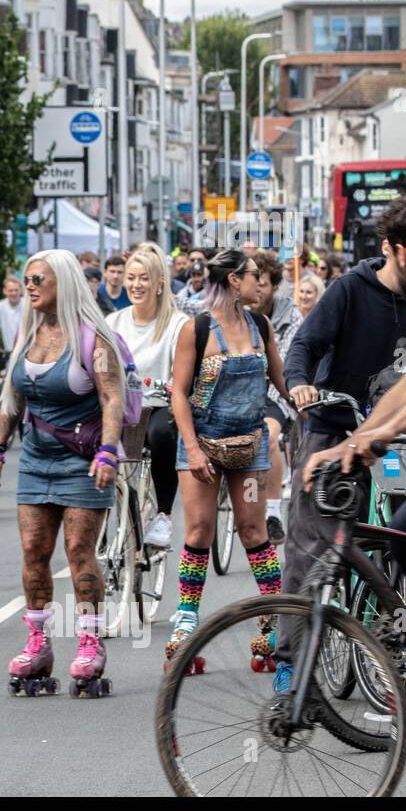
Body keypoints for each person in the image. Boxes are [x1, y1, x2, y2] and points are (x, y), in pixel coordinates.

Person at [281, 196, 406, 690]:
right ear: (391, 250)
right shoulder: (349, 290)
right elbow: (304, 344)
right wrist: (301, 384)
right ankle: (292, 656)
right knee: (309, 538)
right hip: (336, 422)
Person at [0, 249, 125, 694]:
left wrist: (107, 452)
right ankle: (38, 642)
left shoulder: (92, 340)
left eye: (38, 279)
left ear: (61, 284)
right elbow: (13, 400)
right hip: (35, 461)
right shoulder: (27, 337)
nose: (29, 287)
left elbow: (111, 399)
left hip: (83, 464)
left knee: (79, 551)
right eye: (26, 279)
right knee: (33, 551)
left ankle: (89, 641)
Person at [166, 249, 290, 665]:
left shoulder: (261, 326)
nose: (263, 283)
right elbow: (178, 393)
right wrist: (195, 449)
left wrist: (311, 400)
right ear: (235, 281)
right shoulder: (196, 329)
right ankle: (186, 623)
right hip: (202, 444)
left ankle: (273, 622)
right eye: (256, 275)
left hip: (249, 446)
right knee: (199, 530)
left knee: (254, 531)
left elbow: (284, 382)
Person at [107, 244, 188, 547]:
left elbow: (183, 372)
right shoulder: (114, 322)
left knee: (163, 434)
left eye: (143, 279)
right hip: (122, 405)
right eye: (131, 278)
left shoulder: (176, 324)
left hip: (158, 405)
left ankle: (164, 516)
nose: (136, 285)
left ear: (158, 284)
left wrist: (173, 386)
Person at [249, 252, 302, 544]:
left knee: (268, 436)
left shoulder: (291, 317)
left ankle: (272, 512)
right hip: (237, 390)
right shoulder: (235, 310)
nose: (257, 290)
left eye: (264, 284)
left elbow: (285, 365)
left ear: (275, 287)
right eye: (252, 282)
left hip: (275, 389)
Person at [174, 249, 209, 316]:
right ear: (187, 262)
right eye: (192, 260)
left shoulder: (215, 288)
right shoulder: (180, 288)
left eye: (200, 260)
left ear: (206, 261)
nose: (196, 263)